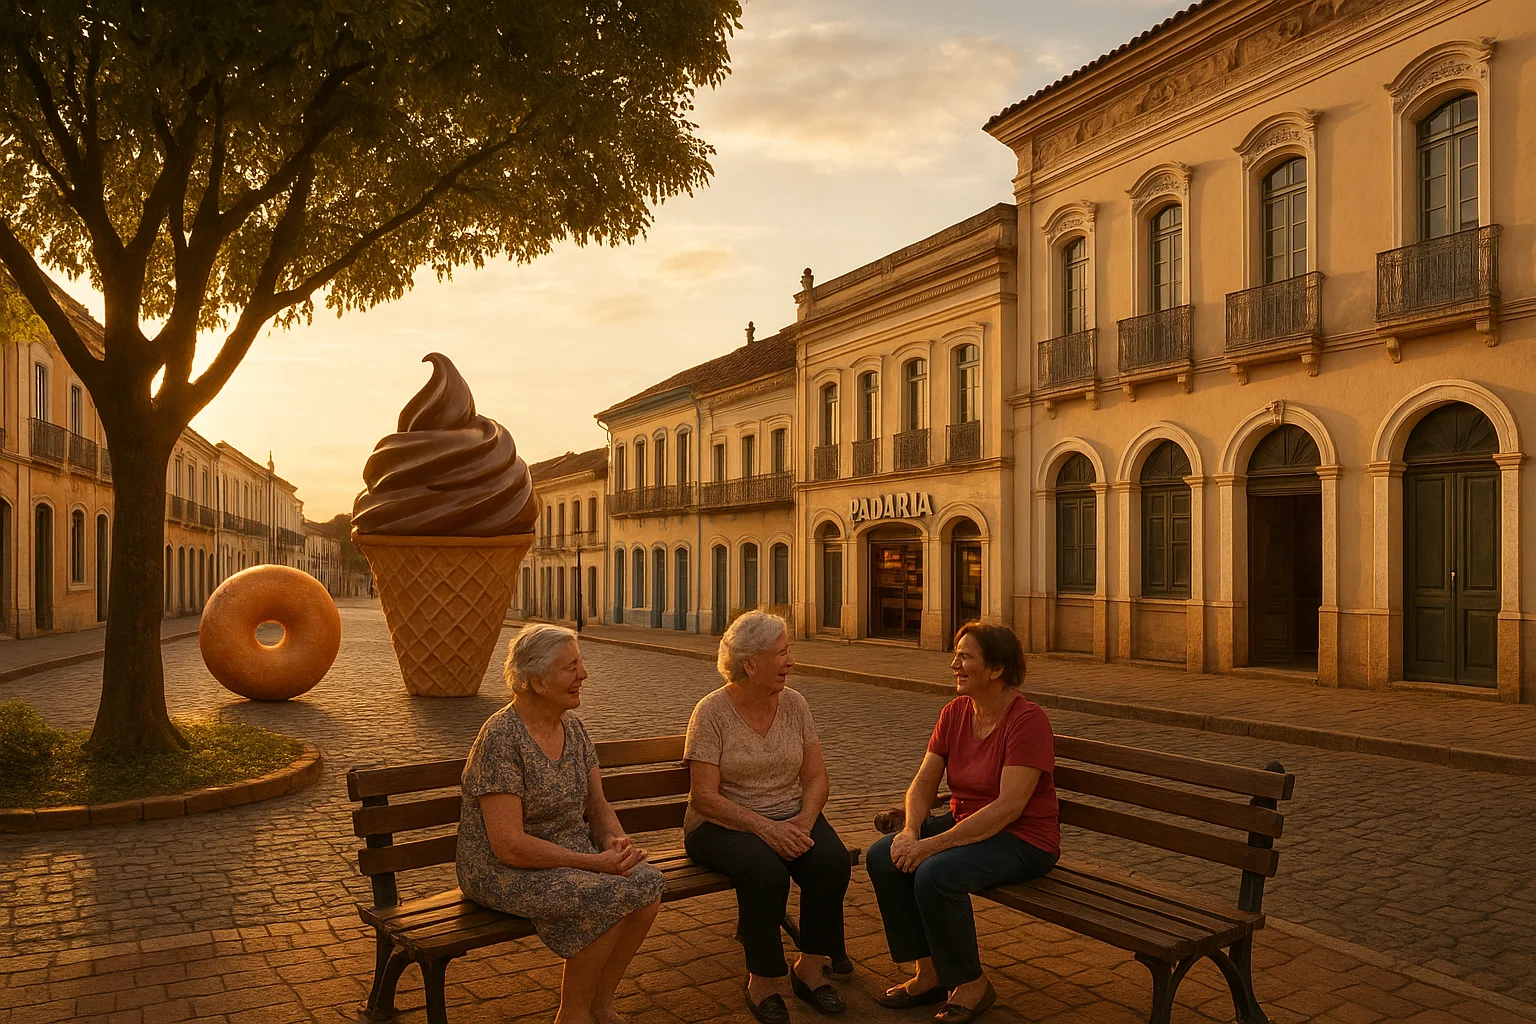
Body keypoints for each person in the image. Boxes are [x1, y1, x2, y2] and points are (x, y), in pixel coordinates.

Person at [457, 624, 665, 1024]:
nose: (583, 675)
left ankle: (601, 1004)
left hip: (569, 854)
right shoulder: (501, 739)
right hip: (501, 869)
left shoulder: (573, 727)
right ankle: (572, 1014)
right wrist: (593, 864)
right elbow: (508, 844)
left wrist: (615, 843)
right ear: (536, 681)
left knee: (646, 884)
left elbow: (598, 804)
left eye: (580, 663)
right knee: (605, 895)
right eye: (571, 667)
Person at [866, 623, 1060, 1024]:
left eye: (966, 657)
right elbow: (923, 783)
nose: (955, 664)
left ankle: (972, 985)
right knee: (884, 856)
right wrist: (910, 831)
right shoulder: (955, 712)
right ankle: (930, 974)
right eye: (956, 655)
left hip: (1023, 840)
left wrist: (930, 845)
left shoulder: (1028, 721)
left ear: (996, 669)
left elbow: (1008, 807)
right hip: (968, 825)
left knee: (934, 872)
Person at [684, 610, 851, 1023]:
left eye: (788, 651)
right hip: (722, 824)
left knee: (831, 861)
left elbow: (816, 777)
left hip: (791, 816)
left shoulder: (795, 704)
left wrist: (805, 821)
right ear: (750, 664)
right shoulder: (711, 713)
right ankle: (762, 980)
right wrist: (765, 828)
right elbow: (703, 797)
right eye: (781, 653)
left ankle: (810, 970)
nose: (790, 661)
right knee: (765, 872)